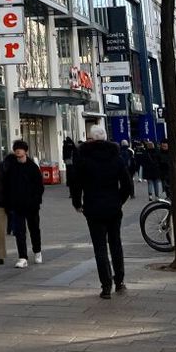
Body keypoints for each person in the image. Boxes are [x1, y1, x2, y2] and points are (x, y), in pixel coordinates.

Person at [69, 124, 135, 299]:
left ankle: (106, 285)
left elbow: (76, 183)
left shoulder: (84, 158)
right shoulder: (116, 157)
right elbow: (127, 184)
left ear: (91, 138)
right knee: (115, 243)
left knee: (100, 247)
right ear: (105, 137)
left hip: (93, 207)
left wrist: (78, 203)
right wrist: (119, 200)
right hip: (113, 207)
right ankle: (119, 280)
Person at [0, 139, 44, 267]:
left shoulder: (32, 168)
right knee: (19, 232)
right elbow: (6, 185)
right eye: (16, 149)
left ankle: (37, 251)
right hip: (17, 205)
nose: (18, 151)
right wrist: (8, 202)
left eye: (20, 148)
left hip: (32, 205)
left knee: (34, 229)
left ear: (25, 151)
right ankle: (23, 257)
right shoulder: (11, 167)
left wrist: (36, 200)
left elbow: (39, 187)